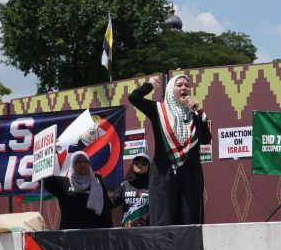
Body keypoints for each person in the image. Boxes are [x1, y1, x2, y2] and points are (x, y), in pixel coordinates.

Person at [128, 74, 211, 226]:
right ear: (170, 90)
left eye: (187, 85)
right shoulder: (158, 110)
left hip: (190, 174)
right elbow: (134, 98)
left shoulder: (194, 114)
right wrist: (150, 85)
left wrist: (198, 112)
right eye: (179, 85)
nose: (184, 88)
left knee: (189, 221)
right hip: (163, 173)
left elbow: (206, 139)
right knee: (163, 220)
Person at [42, 152, 113, 230]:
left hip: (94, 234)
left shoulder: (97, 182)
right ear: (73, 165)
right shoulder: (63, 182)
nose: (82, 165)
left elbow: (106, 209)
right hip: (70, 235)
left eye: (85, 162)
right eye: (78, 162)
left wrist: (110, 232)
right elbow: (43, 179)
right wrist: (46, 154)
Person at [111, 153, 150, 227]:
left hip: (148, 232)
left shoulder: (153, 186)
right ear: (133, 164)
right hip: (127, 232)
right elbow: (111, 203)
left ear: (149, 166)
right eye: (136, 161)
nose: (140, 164)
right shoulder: (124, 186)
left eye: (144, 162)